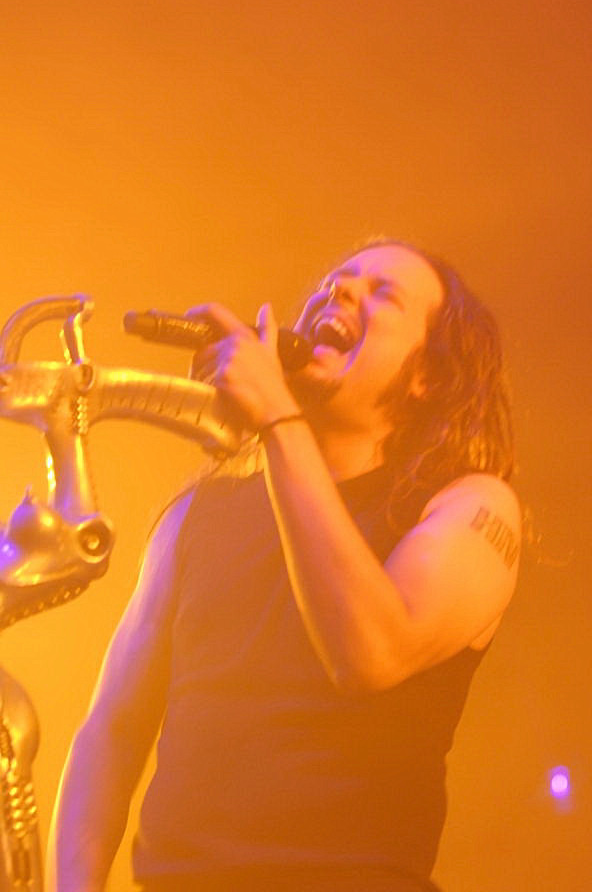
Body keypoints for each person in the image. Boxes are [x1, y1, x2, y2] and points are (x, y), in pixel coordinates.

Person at [47, 240, 521, 892]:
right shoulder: (198, 515)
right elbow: (112, 730)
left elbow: (369, 653)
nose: (340, 291)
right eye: (335, 280)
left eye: (383, 293)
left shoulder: (470, 508)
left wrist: (276, 416)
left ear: (428, 377)